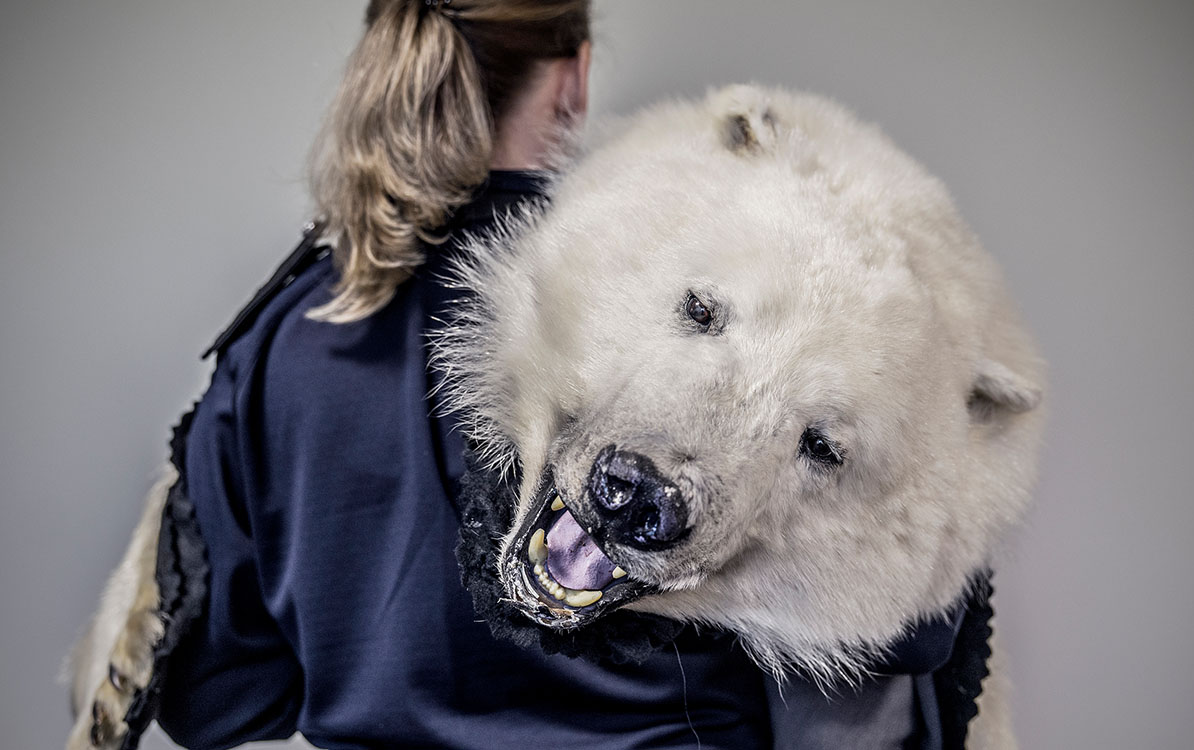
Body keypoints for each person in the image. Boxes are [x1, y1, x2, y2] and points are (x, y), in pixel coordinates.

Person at [154, 2, 775, 748]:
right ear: (571, 79)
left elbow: (215, 697)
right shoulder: (709, 314)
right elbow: (888, 628)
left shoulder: (283, 340)